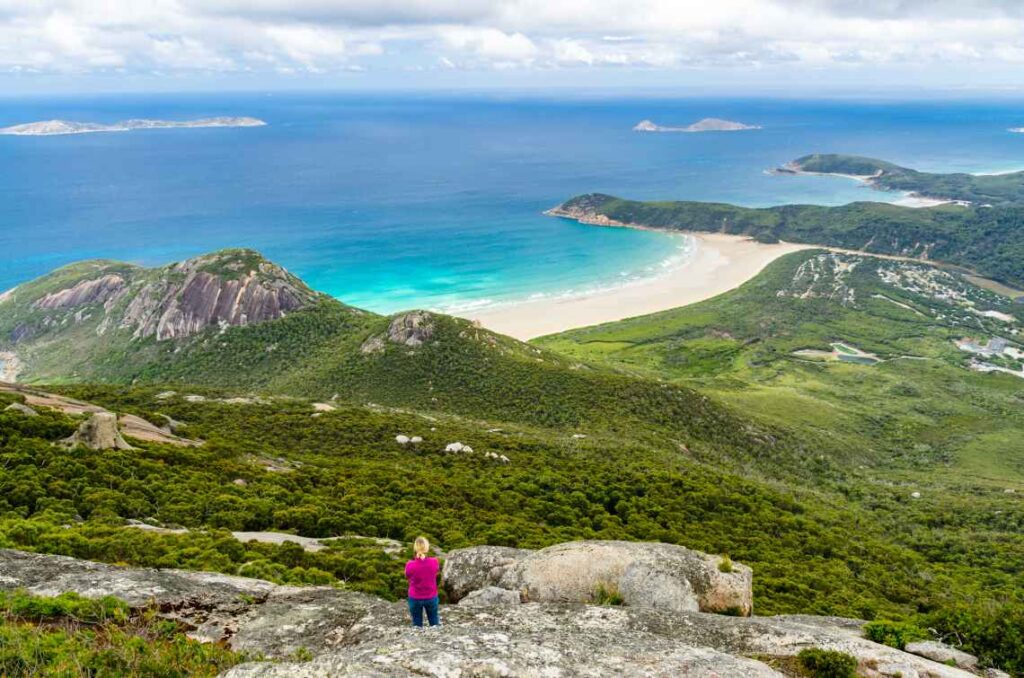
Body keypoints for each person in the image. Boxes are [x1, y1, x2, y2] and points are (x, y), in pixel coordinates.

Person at [405, 536, 440, 627]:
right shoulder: (434, 562)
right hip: (431, 596)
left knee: (417, 624)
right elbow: (436, 572)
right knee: (434, 622)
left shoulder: (410, 565)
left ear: (415, 548)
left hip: (415, 597)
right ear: (426, 548)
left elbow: (408, 576)